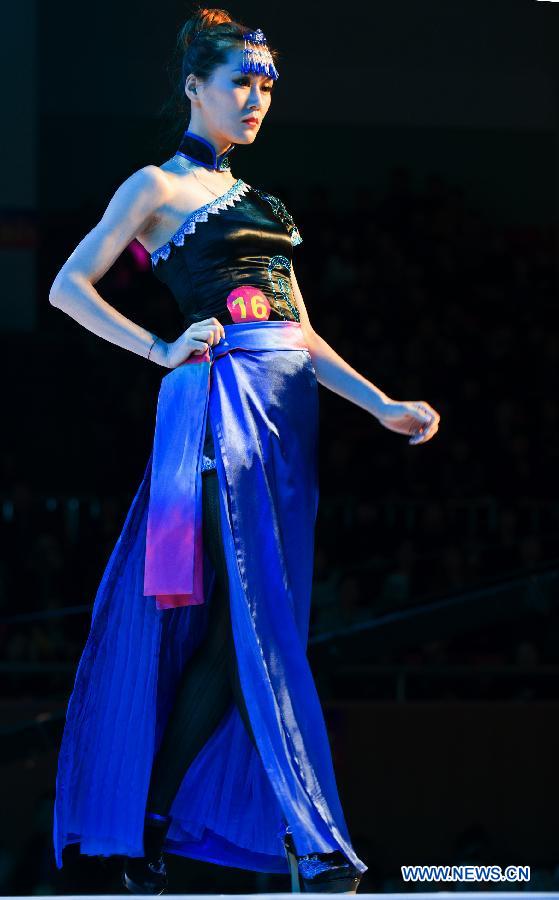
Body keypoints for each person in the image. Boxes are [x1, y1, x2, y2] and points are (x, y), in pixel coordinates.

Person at [49, 6, 440, 896]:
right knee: (248, 620)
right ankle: (297, 835)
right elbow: (68, 286)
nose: (258, 97)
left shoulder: (265, 203)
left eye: (267, 84)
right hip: (220, 406)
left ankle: (152, 822)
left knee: (248, 634)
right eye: (242, 81)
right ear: (195, 86)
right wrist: (156, 348)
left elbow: (302, 332)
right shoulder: (154, 185)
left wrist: (378, 402)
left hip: (287, 412)